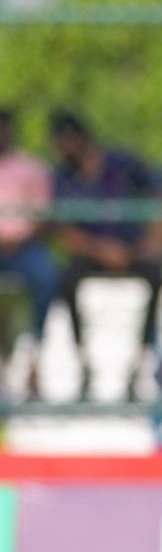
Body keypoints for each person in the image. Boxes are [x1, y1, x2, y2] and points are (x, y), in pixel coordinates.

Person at [50, 111, 162, 399]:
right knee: (66, 280)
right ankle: (84, 364)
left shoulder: (122, 163)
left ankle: (140, 363)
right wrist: (99, 250)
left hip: (132, 247)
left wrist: (154, 239)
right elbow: (63, 230)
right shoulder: (63, 176)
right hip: (92, 250)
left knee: (156, 276)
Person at [0, 109, 57, 397]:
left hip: (24, 246)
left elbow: (44, 215)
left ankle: (34, 350)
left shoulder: (30, 168)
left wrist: (20, 237)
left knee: (46, 276)